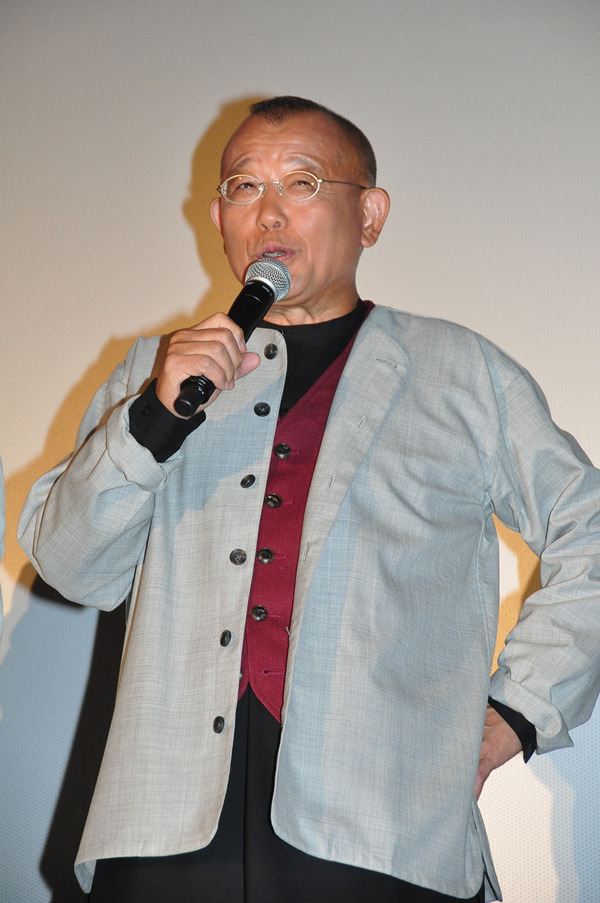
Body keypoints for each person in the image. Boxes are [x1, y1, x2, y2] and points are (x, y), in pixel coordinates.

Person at [18, 96, 600, 903]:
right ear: (219, 218)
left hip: (381, 832)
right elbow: (71, 566)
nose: (268, 211)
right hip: (164, 837)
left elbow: (588, 529)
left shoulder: (462, 372)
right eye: (244, 186)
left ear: (370, 215)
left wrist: (521, 709)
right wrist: (152, 418)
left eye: (301, 181)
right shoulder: (157, 371)